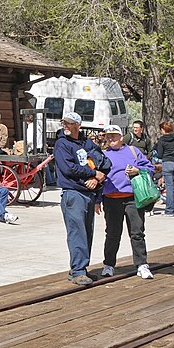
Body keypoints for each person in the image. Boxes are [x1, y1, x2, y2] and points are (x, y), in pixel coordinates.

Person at [53, 111, 106, 286]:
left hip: (88, 193)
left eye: (69, 123)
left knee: (87, 232)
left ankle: (81, 268)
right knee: (77, 232)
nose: (65, 126)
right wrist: (92, 173)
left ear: (78, 125)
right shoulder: (62, 144)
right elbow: (67, 168)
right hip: (73, 193)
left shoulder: (86, 142)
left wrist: (97, 177)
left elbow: (103, 161)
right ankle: (78, 271)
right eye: (64, 123)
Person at [97, 125, 155, 280]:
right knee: (112, 234)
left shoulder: (133, 151)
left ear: (121, 137)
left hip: (132, 199)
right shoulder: (102, 155)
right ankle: (109, 265)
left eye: (114, 136)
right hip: (111, 200)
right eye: (108, 136)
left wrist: (138, 170)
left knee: (137, 233)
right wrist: (97, 200)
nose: (111, 139)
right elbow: (97, 179)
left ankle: (142, 265)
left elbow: (150, 168)